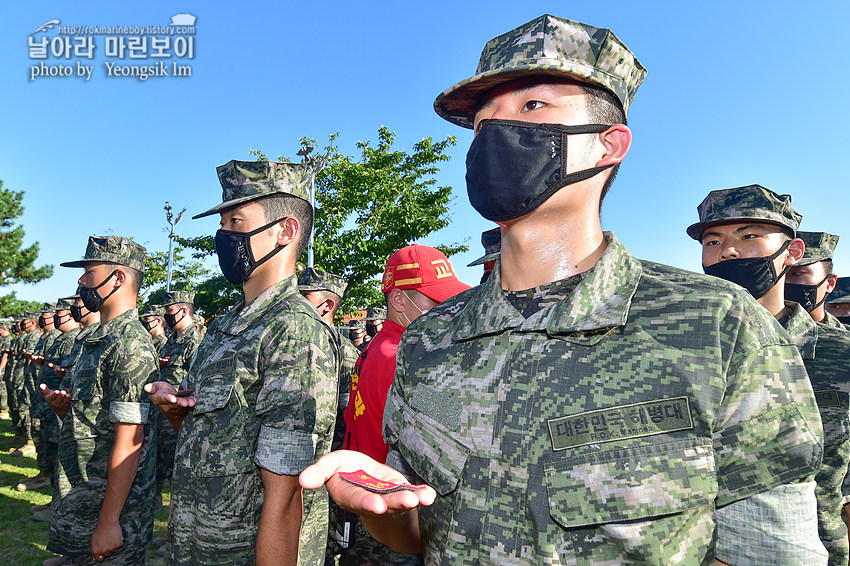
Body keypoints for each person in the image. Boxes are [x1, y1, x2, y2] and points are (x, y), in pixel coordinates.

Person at [302, 14, 824, 565]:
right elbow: (416, 533)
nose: (496, 136)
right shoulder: (429, 339)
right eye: (482, 125)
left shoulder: (718, 325)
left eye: (532, 108)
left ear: (608, 145)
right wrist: (379, 508)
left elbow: (770, 549)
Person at [146, 160, 339, 566]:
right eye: (223, 224)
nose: (223, 236)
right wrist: (177, 410)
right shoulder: (225, 326)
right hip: (197, 541)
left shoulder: (293, 330)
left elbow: (286, 490)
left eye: (236, 221)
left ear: (285, 231)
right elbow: (219, 433)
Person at [690, 185, 846, 564]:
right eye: (713, 241)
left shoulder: (840, 355)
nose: (728, 250)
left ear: (792, 252)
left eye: (749, 236)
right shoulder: (679, 350)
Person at [340, 244, 469, 566]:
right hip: (393, 506)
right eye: (438, 301)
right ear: (399, 300)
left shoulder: (385, 345)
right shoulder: (398, 356)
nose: (448, 309)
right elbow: (453, 418)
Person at [40, 236, 159, 566]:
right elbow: (96, 417)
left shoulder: (129, 344)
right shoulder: (97, 338)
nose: (81, 281)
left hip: (112, 508)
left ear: (118, 278)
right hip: (84, 496)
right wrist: (65, 408)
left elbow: (129, 440)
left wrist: (109, 522)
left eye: (89, 272)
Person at [154, 291, 203, 509]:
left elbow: (196, 382)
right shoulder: (171, 340)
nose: (167, 317)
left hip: (181, 414)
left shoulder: (195, 342)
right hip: (164, 412)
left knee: (181, 471)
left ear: (184, 311)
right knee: (166, 464)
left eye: (169, 312)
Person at [786, 231, 845, 328]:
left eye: (796, 274)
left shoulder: (844, 339)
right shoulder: (756, 336)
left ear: (829, 283)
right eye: (781, 274)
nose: (784, 281)